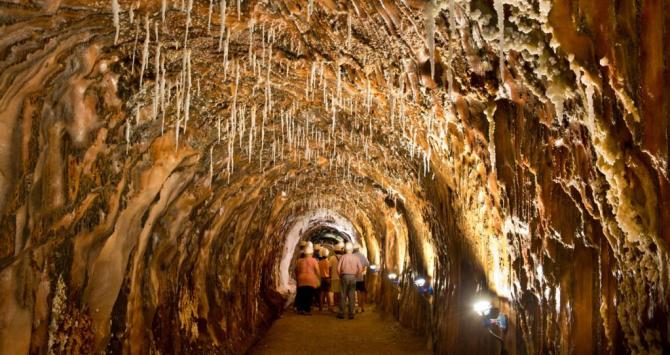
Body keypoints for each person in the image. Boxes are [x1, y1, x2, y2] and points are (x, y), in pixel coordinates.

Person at [337, 242, 363, 319]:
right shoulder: (356, 257)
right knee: (352, 295)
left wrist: (340, 276)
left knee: (343, 295)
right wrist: (356, 275)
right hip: (353, 277)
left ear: (345, 249)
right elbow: (360, 269)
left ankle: (341, 313)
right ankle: (351, 313)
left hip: (344, 276)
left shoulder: (343, 257)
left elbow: (338, 269)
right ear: (352, 249)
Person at [294, 244, 320, 315]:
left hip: (301, 279)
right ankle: (306, 310)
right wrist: (318, 279)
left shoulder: (299, 261)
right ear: (312, 253)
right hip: (311, 280)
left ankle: (300, 309)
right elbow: (317, 271)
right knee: (309, 295)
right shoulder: (314, 261)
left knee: (301, 294)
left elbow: (296, 270)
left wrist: (297, 278)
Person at [353, 243, 370, 312]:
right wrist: (363, 268)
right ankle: (362, 306)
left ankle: (358, 306)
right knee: (362, 291)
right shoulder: (362, 256)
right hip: (361, 277)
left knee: (356, 292)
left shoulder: (352, 256)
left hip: (353, 276)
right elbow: (367, 264)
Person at [328, 242, 344, 312]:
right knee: (341, 292)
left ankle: (335, 306)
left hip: (334, 277)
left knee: (335, 293)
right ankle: (340, 305)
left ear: (334, 251)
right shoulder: (343, 257)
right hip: (342, 277)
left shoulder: (332, 258)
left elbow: (330, 268)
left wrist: (329, 276)